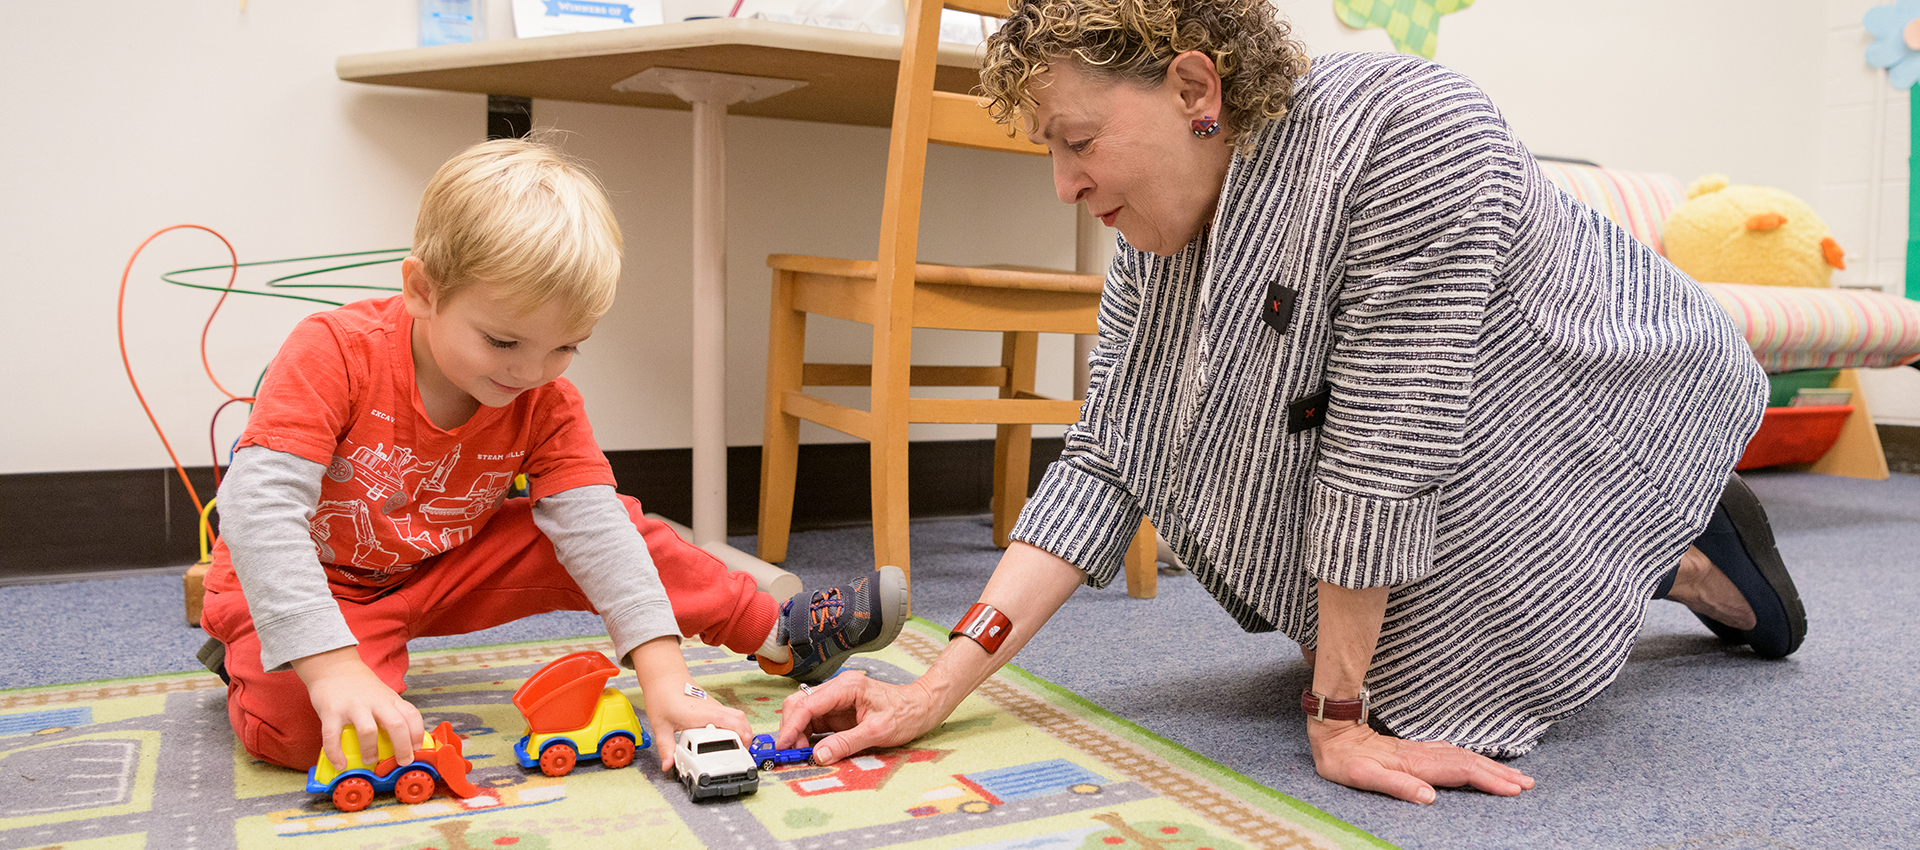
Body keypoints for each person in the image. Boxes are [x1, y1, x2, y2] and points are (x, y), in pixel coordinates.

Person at [771, 0, 1806, 805]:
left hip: (1591, 408)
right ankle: (1642, 559)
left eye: (1075, 140)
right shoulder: (1159, 234)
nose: (1062, 184)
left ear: (1192, 85)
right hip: (1439, 452)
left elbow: (1385, 451)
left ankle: (1681, 544)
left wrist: (1339, 715)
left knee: (1403, 686)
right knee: (1402, 667)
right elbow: (1106, 457)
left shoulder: (1408, 131)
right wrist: (935, 685)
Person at [198, 137, 909, 775]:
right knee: (307, 735)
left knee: (618, 526)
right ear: (421, 291)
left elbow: (598, 534)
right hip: (311, 582)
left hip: (439, 567)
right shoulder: (332, 351)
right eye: (504, 343)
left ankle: (778, 633)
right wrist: (330, 667)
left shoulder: (546, 396)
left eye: (566, 347)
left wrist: (664, 679)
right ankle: (254, 651)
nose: (530, 373)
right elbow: (259, 513)